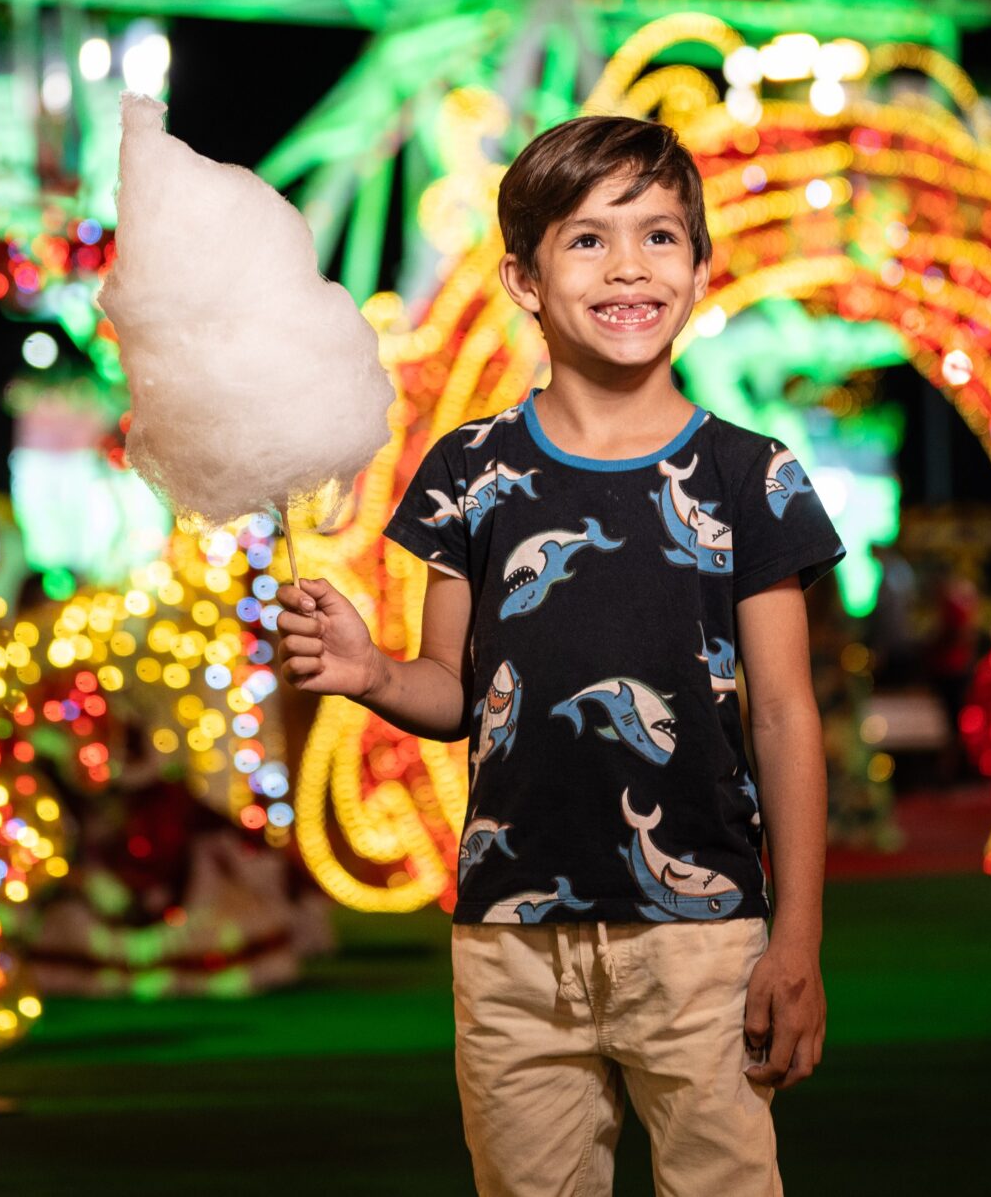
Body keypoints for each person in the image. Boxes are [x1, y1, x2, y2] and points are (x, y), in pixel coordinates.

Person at [277, 115, 846, 1196]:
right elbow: (452, 691)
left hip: (706, 938)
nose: (629, 264)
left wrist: (798, 940)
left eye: (661, 235)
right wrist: (369, 671)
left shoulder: (754, 475)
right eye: (588, 239)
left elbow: (783, 716)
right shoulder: (470, 469)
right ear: (525, 278)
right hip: (508, 941)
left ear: (700, 266)